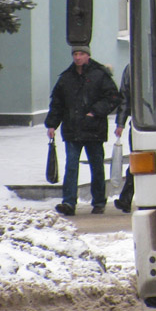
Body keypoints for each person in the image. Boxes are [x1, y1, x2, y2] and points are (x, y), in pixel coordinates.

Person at [45, 45, 121, 215]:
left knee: (96, 166)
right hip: (72, 129)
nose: (78, 57)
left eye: (81, 54)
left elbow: (113, 97)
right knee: (71, 166)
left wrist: (94, 111)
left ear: (88, 56)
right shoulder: (66, 78)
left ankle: (99, 201)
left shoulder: (100, 75)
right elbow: (57, 103)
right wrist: (52, 124)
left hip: (94, 128)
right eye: (75, 54)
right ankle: (69, 202)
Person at [112, 64, 134, 213]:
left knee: (137, 162)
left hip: (145, 123)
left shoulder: (132, 67)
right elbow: (125, 97)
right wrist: (121, 122)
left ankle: (126, 198)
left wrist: (121, 122)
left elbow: (125, 97)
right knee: (137, 161)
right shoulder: (132, 67)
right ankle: (126, 199)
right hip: (142, 123)